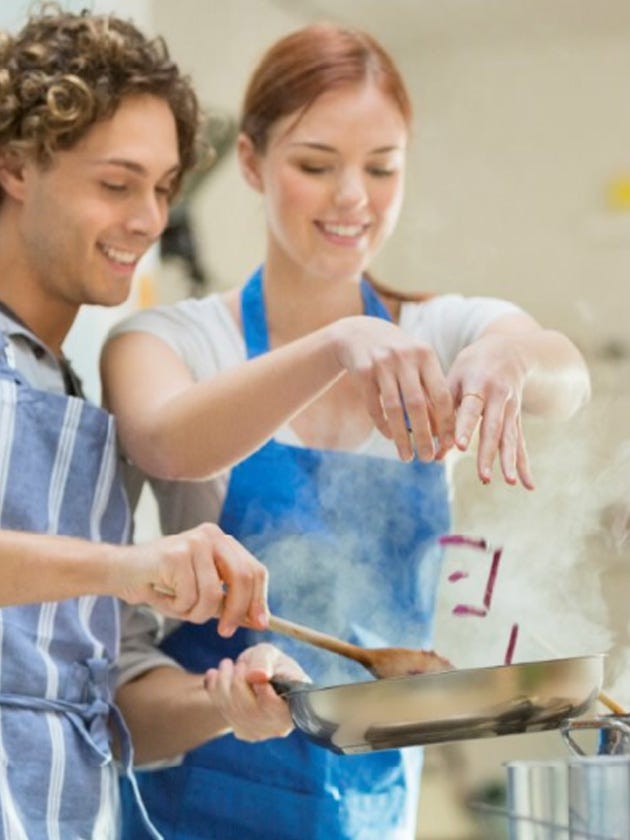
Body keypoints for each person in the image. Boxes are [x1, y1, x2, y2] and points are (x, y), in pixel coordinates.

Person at [101, 22, 591, 840]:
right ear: (251, 164)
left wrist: (508, 358)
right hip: (199, 806)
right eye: (316, 165)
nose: (353, 198)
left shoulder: (441, 328)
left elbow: (563, 376)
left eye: (382, 167)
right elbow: (162, 439)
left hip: (373, 809)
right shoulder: (174, 341)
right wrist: (335, 347)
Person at [0, 7, 312, 839]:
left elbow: (112, 703)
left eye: (163, 188)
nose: (148, 219)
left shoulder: (72, 399)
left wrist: (222, 703)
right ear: (15, 164)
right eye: (117, 183)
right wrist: (128, 563)